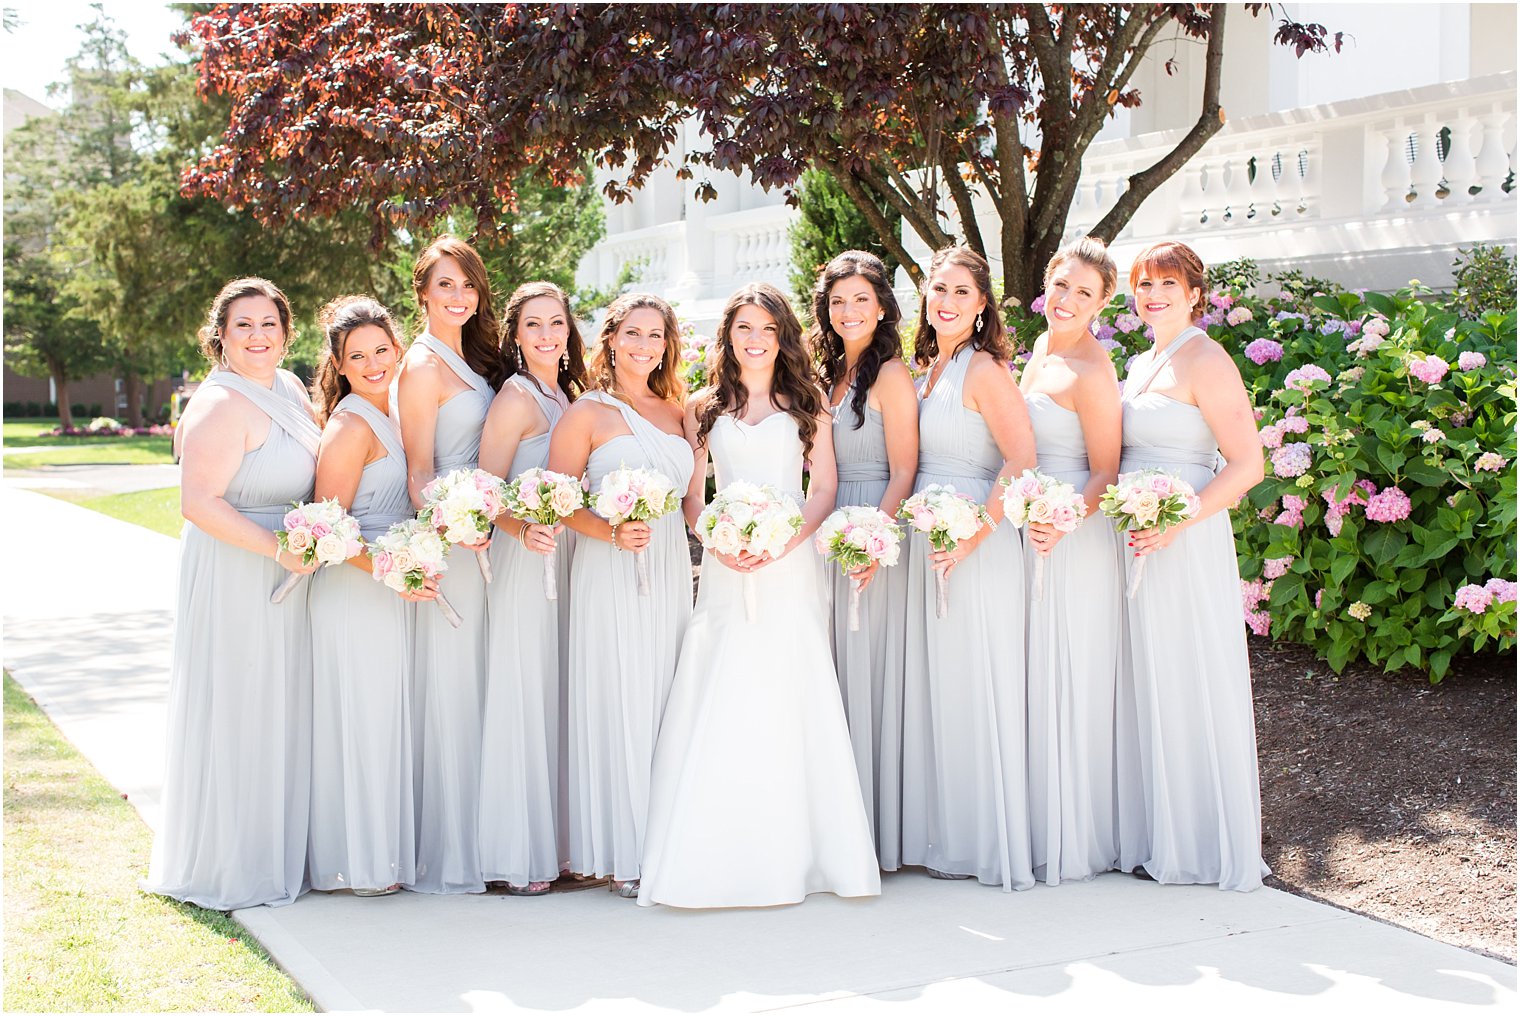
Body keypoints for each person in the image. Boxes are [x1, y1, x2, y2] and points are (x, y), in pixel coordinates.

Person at [637, 282, 881, 909]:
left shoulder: (809, 403)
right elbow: (694, 494)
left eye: (767, 330)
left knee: (788, 683)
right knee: (724, 677)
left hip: (789, 562)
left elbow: (824, 487)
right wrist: (713, 538)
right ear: (728, 335)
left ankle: (803, 851)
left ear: (783, 337)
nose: (755, 340)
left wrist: (785, 540)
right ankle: (713, 846)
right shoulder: (703, 407)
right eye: (744, 328)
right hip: (724, 563)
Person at [142, 278, 320, 910]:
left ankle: (277, 847)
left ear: (286, 330)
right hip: (238, 567)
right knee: (241, 699)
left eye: (269, 323)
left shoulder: (292, 389)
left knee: (281, 702)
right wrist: (279, 549)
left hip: (290, 564)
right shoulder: (218, 403)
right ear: (219, 334)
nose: (258, 336)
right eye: (243, 325)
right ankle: (231, 859)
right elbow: (197, 504)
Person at [1115, 240, 1270, 892]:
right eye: (1145, 285)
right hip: (1135, 537)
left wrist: (1177, 519)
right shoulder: (1139, 360)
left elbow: (1248, 465)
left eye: (1168, 285)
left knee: (1187, 673)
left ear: (1195, 294)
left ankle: (1200, 841)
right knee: (1144, 677)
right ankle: (1154, 832)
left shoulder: (1207, 359)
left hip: (1188, 535)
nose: (1154, 296)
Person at [548, 294, 696, 898]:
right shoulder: (587, 411)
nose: (645, 346)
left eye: (656, 335)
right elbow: (554, 499)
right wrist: (609, 529)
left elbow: (691, 503)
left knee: (666, 696)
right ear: (610, 339)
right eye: (632, 334)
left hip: (667, 569)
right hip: (609, 566)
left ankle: (665, 842)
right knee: (619, 694)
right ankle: (621, 851)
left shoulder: (679, 410)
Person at [900, 246, 1037, 891]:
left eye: (961, 292)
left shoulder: (982, 369)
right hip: (928, 537)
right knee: (939, 683)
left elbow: (1021, 458)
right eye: (937, 290)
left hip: (974, 542)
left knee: (976, 679)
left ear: (981, 305)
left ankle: (985, 837)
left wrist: (976, 534)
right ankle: (942, 831)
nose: (946, 302)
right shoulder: (927, 369)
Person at [307, 296, 432, 897]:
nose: (374, 362)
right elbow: (327, 530)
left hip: (397, 583)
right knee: (363, 717)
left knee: (390, 717)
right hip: (357, 587)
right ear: (339, 362)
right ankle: (360, 862)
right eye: (358, 355)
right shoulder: (350, 424)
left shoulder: (402, 415)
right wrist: (388, 568)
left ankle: (390, 854)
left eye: (382, 349)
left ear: (398, 348)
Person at [397, 235, 506, 894]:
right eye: (445, 285)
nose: (459, 296)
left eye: (467, 284)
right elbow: (418, 471)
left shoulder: (473, 359)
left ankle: (492, 837)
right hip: (454, 539)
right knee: (456, 687)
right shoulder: (420, 366)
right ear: (423, 293)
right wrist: (456, 524)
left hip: (491, 532)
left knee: (488, 684)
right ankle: (455, 850)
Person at [1017, 239, 1124, 885]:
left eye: (1084, 292)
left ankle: (1072, 832)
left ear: (1103, 302)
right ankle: (1035, 819)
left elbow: (1106, 468)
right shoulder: (1040, 352)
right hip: (1031, 525)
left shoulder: (1092, 369)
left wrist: (1062, 520)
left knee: (1067, 674)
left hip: (1071, 536)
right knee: (1035, 673)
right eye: (1062, 285)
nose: (1067, 300)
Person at [477, 282, 587, 895]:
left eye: (556, 323)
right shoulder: (516, 399)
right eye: (534, 325)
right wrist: (524, 530)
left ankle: (561, 844)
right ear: (516, 337)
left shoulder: (567, 394)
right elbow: (485, 489)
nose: (547, 335)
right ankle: (517, 854)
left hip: (569, 553)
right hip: (527, 555)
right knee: (524, 688)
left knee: (557, 692)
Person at [809, 251, 918, 870]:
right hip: (827, 523)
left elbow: (903, 467)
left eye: (860, 299)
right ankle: (835, 823)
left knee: (869, 670)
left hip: (869, 524)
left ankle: (875, 830)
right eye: (837, 301)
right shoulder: (829, 373)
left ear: (882, 307)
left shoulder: (891, 376)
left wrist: (874, 537)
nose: (848, 311)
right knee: (833, 672)